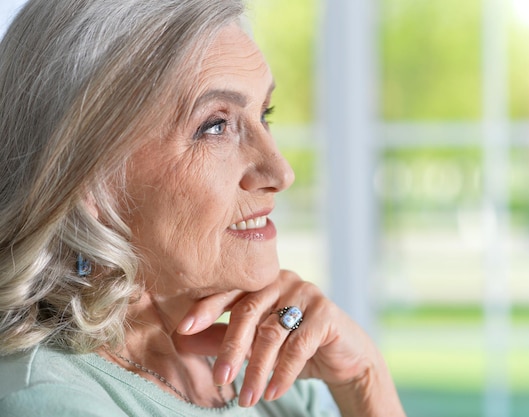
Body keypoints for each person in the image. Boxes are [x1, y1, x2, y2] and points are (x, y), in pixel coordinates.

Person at [0, 0, 407, 416]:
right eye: (215, 126)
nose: (280, 171)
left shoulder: (257, 363)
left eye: (264, 114)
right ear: (86, 176)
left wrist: (364, 379)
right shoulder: (49, 401)